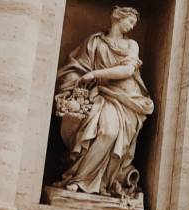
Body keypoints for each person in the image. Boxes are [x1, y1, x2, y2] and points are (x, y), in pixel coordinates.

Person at [53, 6, 154, 198]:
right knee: (102, 131)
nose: (132, 27)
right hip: (100, 95)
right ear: (117, 17)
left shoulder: (132, 45)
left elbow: (127, 71)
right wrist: (78, 80)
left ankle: (98, 182)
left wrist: (95, 74)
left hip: (127, 101)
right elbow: (77, 67)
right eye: (130, 21)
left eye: (134, 23)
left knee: (110, 133)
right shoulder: (94, 42)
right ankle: (79, 179)